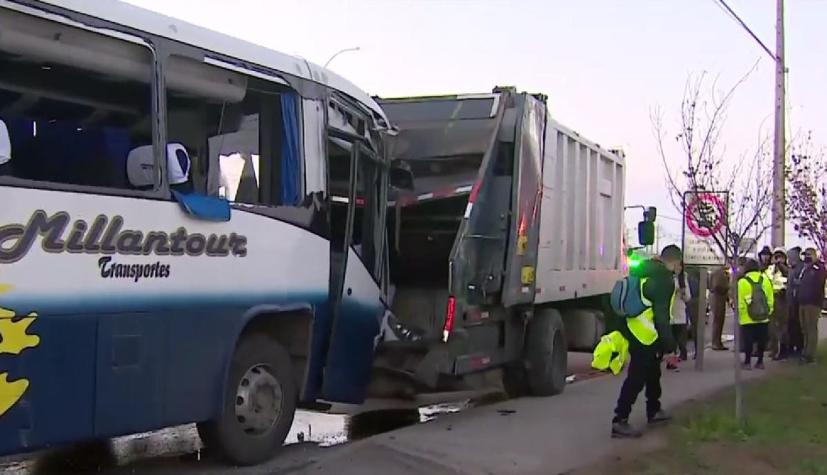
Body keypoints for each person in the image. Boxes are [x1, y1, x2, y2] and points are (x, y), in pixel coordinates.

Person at [611, 245, 679, 438]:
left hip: (634, 328)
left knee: (652, 373)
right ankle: (619, 420)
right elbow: (661, 316)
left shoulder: (644, 271)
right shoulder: (664, 280)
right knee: (636, 378)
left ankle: (654, 410)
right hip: (646, 335)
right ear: (674, 262)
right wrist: (670, 347)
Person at [737, 258, 774, 370]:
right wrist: (769, 311)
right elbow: (770, 297)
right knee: (761, 340)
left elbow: (740, 301)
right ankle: (760, 361)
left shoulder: (742, 282)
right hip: (763, 316)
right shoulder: (765, 280)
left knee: (748, 341)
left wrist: (742, 313)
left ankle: (747, 362)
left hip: (747, 318)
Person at [796, 248, 826, 365]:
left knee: (811, 329)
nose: (806, 257)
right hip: (802, 302)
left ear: (814, 255)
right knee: (804, 329)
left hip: (813, 303)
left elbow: (818, 284)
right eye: (805, 255)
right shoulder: (805, 268)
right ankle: (805, 351)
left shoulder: (819, 268)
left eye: (808, 255)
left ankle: (810, 355)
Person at [767, 248, 789, 359]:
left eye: (780, 256)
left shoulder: (786, 269)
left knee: (781, 327)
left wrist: (781, 265)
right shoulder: (770, 269)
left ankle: (781, 351)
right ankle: (774, 349)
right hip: (771, 299)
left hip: (782, 299)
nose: (778, 258)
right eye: (776, 256)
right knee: (772, 327)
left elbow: (787, 277)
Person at [668, 270, 691, 368]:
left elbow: (688, 297)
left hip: (679, 311)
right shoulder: (667, 277)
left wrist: (682, 293)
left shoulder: (683, 278)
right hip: (669, 311)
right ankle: (671, 360)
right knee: (670, 338)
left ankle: (682, 354)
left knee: (680, 336)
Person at [787, 247, 805, 357]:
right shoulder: (791, 268)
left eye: (790, 257)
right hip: (790, 301)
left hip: (797, 301)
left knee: (797, 326)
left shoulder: (801, 268)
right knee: (791, 326)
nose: (789, 259)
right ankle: (792, 347)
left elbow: (801, 283)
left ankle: (799, 348)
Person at [709, 263, 731, 350]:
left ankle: (717, 342)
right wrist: (727, 287)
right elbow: (717, 286)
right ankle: (716, 343)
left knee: (719, 321)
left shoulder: (719, 272)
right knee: (718, 320)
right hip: (718, 298)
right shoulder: (719, 272)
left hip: (718, 297)